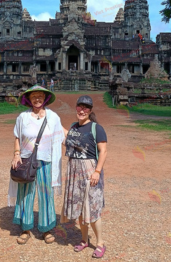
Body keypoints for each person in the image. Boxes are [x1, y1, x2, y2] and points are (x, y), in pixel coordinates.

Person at [8, 85, 65, 245]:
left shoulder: (53, 117)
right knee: (25, 193)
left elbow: (61, 133)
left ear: (45, 98)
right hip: (26, 161)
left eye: (40, 96)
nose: (37, 99)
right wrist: (16, 154)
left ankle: (46, 228)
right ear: (28, 99)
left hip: (45, 161)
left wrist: (81, 140)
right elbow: (17, 137)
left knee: (46, 194)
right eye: (34, 97)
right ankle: (25, 228)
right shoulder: (23, 117)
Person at [61, 95, 108, 258]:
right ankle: (83, 240)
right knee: (80, 209)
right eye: (80, 107)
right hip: (74, 172)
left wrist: (97, 171)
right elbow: (67, 140)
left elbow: (103, 151)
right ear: (76, 108)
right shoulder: (73, 127)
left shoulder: (96, 128)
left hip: (90, 172)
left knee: (93, 209)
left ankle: (100, 243)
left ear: (90, 110)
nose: (82, 110)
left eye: (86, 108)